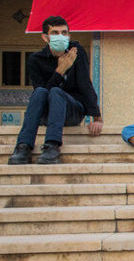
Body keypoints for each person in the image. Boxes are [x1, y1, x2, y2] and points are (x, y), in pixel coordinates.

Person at [8, 15, 103, 165]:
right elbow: (41, 95)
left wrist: (97, 117)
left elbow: (85, 84)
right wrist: (60, 71)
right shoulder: (35, 59)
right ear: (45, 38)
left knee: (56, 92)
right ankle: (23, 147)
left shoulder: (76, 52)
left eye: (64, 33)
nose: (61, 36)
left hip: (72, 110)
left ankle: (52, 147)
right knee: (40, 92)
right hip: (47, 114)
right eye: (55, 33)